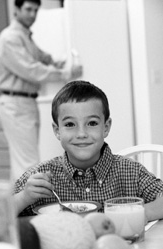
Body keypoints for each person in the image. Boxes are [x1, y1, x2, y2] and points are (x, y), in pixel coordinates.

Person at [14, 80, 163, 222]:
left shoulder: (131, 172)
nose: (81, 134)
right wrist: (24, 197)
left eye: (92, 123)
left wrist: (139, 213)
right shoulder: (41, 176)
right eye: (70, 124)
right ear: (57, 130)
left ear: (106, 127)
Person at [0, 0, 80, 180]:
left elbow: (41, 57)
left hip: (23, 102)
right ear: (16, 9)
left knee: (22, 162)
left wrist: (58, 61)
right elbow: (31, 69)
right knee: (27, 163)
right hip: (16, 103)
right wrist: (65, 73)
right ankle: (27, 206)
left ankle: (16, 206)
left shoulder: (24, 36)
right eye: (28, 9)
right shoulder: (10, 38)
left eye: (35, 10)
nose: (32, 14)